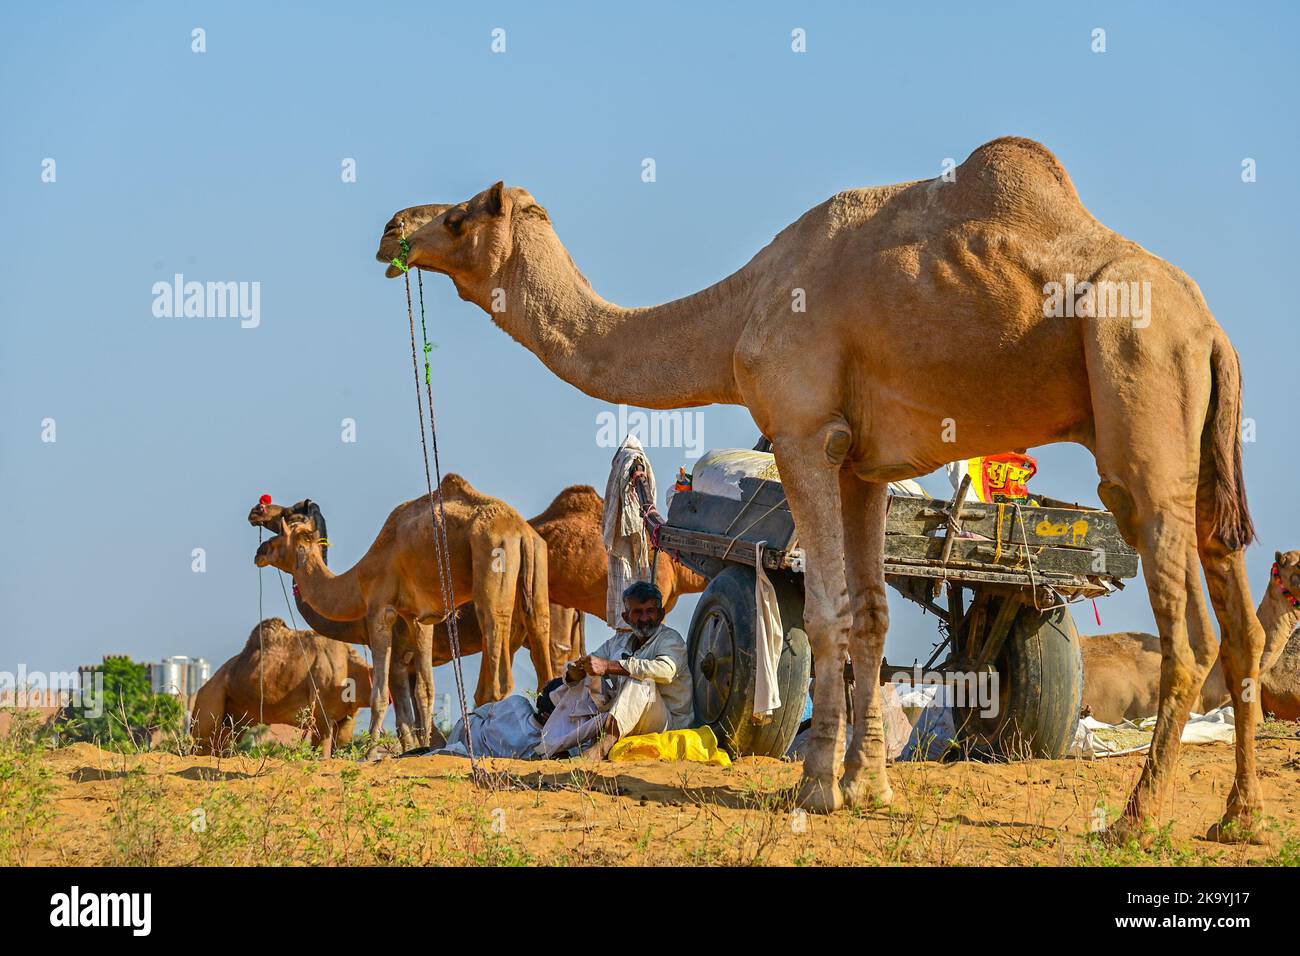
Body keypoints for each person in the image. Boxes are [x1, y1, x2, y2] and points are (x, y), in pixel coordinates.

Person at [537, 580, 692, 759]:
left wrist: (610, 666)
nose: (644, 618)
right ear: (626, 617)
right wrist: (576, 671)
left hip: (668, 722)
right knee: (584, 679)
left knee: (640, 682)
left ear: (661, 614)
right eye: (637, 612)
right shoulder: (619, 642)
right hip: (630, 718)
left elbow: (666, 671)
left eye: (650, 611)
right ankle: (555, 746)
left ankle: (600, 750)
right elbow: (591, 662)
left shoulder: (670, 639)